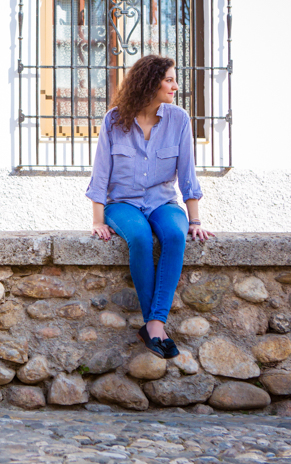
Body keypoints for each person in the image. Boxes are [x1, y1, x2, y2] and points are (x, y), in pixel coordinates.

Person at [87, 54, 214, 360]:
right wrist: (97, 219)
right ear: (150, 82)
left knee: (174, 235)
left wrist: (194, 220)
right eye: (169, 79)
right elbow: (101, 173)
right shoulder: (115, 121)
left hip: (162, 202)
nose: (175, 85)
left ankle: (154, 324)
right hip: (123, 205)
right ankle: (156, 329)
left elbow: (187, 173)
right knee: (141, 238)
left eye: (174, 79)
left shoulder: (179, 119)